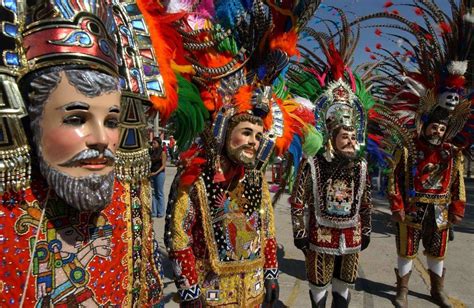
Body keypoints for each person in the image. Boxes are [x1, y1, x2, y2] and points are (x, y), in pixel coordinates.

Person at [138, 1, 323, 306]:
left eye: (258, 135)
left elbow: (267, 230)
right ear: (225, 134)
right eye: (246, 133)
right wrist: (188, 289)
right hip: (211, 293)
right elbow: (178, 236)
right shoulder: (194, 178)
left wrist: (272, 274)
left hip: (251, 290)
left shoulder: (254, 179)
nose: (253, 141)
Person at [0, 0, 165, 305]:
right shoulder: (7, 203)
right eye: (76, 118)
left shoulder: (129, 200)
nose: (102, 139)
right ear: (32, 119)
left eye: (112, 121)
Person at [352, 3, 472, 307]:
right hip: (412, 208)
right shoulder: (408, 149)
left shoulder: (452, 154)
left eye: (442, 129)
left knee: (437, 251)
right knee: (406, 250)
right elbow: (394, 179)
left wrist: (458, 209)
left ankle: (437, 289)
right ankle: (402, 290)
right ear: (425, 124)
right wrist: (397, 207)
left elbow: (457, 183)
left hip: (440, 210)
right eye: (433, 127)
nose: (437, 132)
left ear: (447, 131)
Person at [287, 17, 374, 307]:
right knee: (318, 287)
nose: (350, 141)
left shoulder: (360, 167)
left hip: (350, 235)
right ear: (331, 137)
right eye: (344, 136)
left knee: (344, 286)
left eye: (353, 136)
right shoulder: (313, 163)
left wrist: (368, 230)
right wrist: (300, 232)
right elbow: (298, 201)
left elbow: (366, 203)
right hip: (320, 233)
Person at [150, 137, 167, 217]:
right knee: (153, 193)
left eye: (154, 143)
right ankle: (154, 212)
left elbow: (163, 166)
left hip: (160, 174)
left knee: (159, 193)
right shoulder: (151, 152)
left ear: (159, 144)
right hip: (152, 174)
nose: (153, 145)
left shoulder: (162, 152)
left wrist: (156, 173)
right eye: (152, 143)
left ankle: (161, 212)